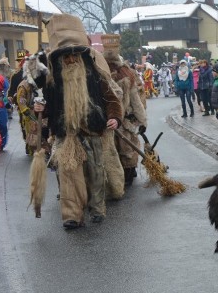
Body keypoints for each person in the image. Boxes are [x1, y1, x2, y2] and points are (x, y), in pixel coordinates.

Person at [39, 14, 123, 229]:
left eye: (75, 55)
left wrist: (114, 117)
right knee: (69, 176)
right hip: (67, 136)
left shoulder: (95, 76)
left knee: (96, 173)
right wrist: (39, 109)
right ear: (59, 59)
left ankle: (97, 209)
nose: (71, 59)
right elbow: (48, 107)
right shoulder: (52, 82)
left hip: (94, 131)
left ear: (81, 56)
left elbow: (112, 99)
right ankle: (72, 215)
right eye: (65, 56)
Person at [104, 50, 148, 187]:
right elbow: (136, 101)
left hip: (122, 120)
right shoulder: (102, 74)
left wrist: (142, 120)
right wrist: (142, 120)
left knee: (126, 149)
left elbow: (135, 100)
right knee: (119, 150)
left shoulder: (125, 74)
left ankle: (126, 174)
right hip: (112, 120)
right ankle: (122, 175)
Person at [15, 52, 49, 156]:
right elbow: (21, 99)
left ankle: (45, 148)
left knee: (45, 130)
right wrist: (25, 110)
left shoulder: (45, 82)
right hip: (30, 113)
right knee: (32, 132)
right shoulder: (24, 85)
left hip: (44, 110)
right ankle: (32, 148)